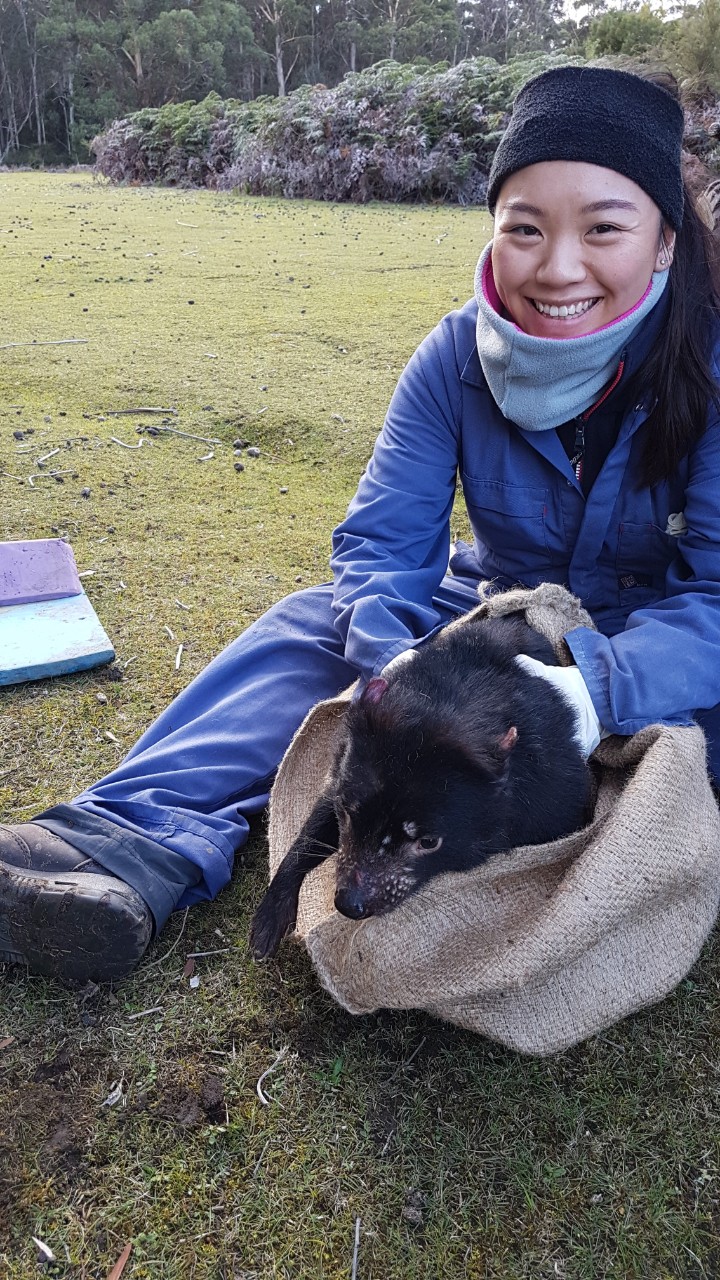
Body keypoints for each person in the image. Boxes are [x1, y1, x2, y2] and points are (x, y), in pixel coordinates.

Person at [2, 64, 719, 983]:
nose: (559, 267)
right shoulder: (456, 357)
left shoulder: (709, 359)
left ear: (663, 242)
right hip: (498, 614)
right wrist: (390, 663)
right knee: (311, 625)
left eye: (604, 229)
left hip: (662, 635)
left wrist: (599, 691)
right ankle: (127, 841)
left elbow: (714, 597)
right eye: (525, 228)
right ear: (494, 231)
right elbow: (383, 547)